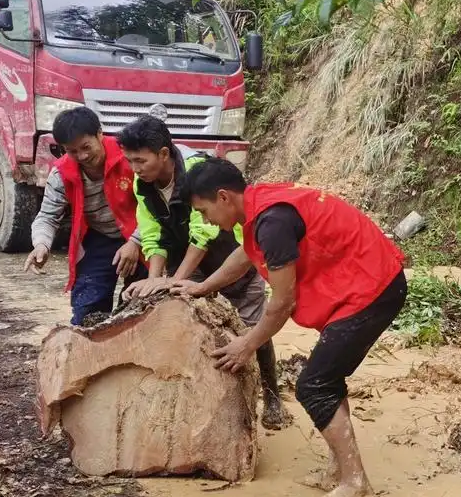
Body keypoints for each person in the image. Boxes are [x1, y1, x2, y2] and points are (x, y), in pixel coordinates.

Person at [175, 158, 407, 497]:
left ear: (223, 197)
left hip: (373, 288)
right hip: (365, 281)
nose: (206, 221)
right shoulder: (260, 207)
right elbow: (247, 255)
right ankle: (340, 469)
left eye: (205, 211)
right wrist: (204, 287)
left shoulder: (272, 221)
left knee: (314, 386)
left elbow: (283, 303)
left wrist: (247, 344)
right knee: (327, 378)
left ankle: (356, 484)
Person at [114, 116, 289, 430]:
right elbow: (152, 233)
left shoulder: (196, 171)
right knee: (192, 327)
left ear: (164, 154)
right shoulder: (144, 184)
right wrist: (157, 278)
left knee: (254, 329)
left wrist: (173, 278)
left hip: (230, 254)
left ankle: (272, 395)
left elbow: (203, 234)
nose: (135, 168)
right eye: (130, 161)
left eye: (141, 160)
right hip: (189, 264)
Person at [24, 107, 142, 325]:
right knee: (87, 310)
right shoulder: (61, 174)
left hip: (144, 235)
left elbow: (156, 208)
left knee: (141, 304)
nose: (82, 156)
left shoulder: (131, 158)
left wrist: (136, 241)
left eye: (86, 147)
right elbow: (48, 217)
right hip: (99, 237)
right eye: (72, 151)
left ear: (100, 134)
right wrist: (41, 245)